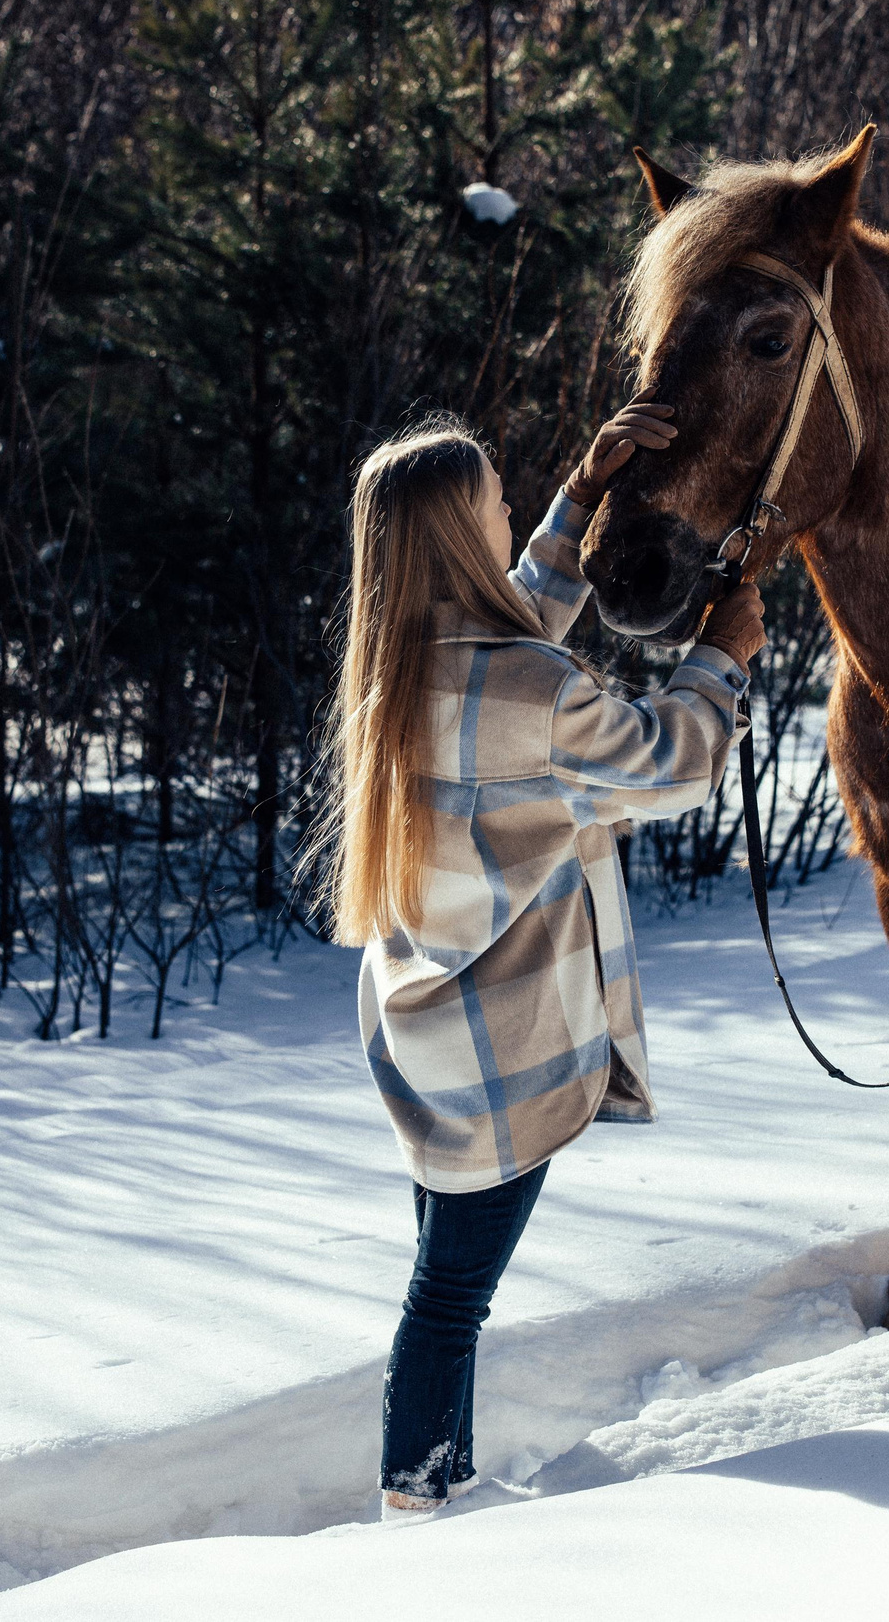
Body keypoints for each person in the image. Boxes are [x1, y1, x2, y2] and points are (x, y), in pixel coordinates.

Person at [316, 401, 764, 1520]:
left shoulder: (400, 670)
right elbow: (670, 763)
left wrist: (582, 493)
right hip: (507, 1050)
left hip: (424, 1036)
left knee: (442, 1284)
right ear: (465, 537)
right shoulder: (530, 692)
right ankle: (416, 1510)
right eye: (500, 507)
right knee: (449, 1296)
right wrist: (722, 659)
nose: (514, 512)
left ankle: (441, 1487)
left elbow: (518, 629)